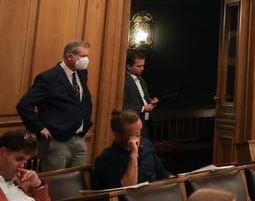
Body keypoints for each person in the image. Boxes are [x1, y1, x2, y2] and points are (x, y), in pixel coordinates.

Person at [17, 40, 93, 170]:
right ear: (70, 57)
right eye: (83, 56)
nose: (86, 60)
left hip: (79, 139)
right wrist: (39, 128)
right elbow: (24, 105)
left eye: (87, 56)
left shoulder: (81, 73)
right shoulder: (48, 77)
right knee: (55, 184)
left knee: (76, 183)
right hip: (57, 142)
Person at [91, 109, 169, 189]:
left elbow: (163, 174)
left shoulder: (146, 145)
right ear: (117, 134)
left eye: (140, 131)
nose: (139, 137)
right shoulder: (106, 159)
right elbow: (126, 192)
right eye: (135, 134)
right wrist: (133, 155)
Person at [0, 129, 51, 201]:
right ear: (3, 152)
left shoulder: (22, 180)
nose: (22, 166)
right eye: (19, 159)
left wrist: (37, 185)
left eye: (25, 161)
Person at [123, 51, 157, 122]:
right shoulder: (123, 81)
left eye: (143, 66)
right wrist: (142, 108)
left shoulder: (141, 80)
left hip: (145, 121)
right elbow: (122, 104)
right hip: (132, 121)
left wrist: (150, 101)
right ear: (129, 66)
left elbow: (144, 98)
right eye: (139, 66)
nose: (142, 69)